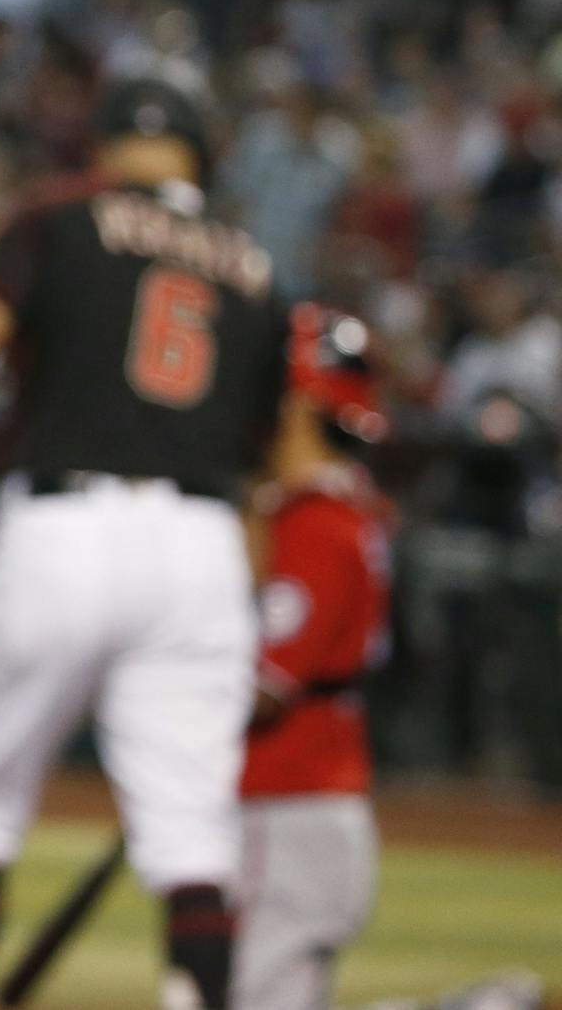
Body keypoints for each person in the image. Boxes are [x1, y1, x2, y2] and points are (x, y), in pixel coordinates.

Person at [0, 77, 286, 1010]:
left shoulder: (61, 217)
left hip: (64, 530)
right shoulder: (255, 267)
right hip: (203, 543)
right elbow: (273, 454)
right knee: (191, 840)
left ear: (104, 150)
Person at [234, 303, 392, 1010]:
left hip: (286, 806)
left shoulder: (315, 527)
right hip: (308, 810)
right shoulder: (335, 512)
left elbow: (263, 690)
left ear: (298, 402)